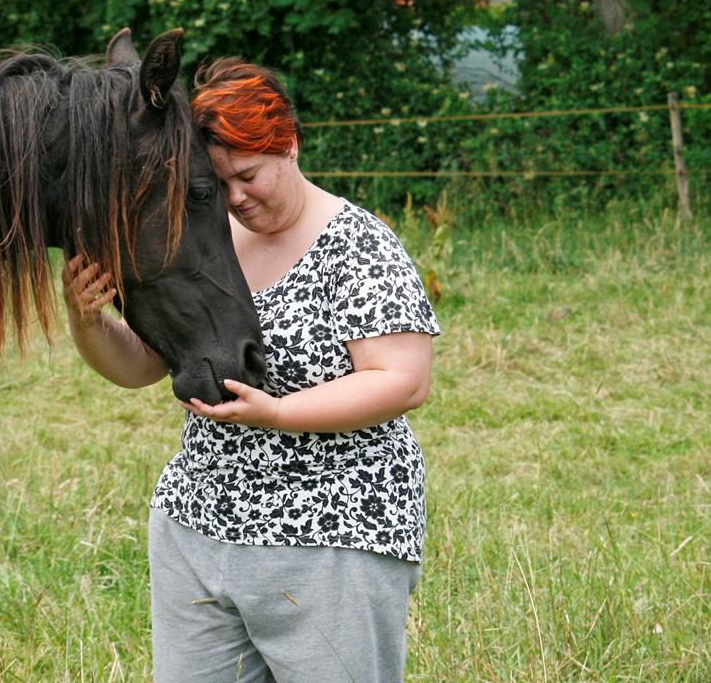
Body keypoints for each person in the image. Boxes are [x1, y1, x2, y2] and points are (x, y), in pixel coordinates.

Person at [62, 58, 440, 683]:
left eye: (248, 175)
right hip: (199, 528)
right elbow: (141, 367)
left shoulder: (358, 245)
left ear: (288, 144)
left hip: (332, 535)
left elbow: (403, 380)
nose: (236, 197)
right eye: (219, 183)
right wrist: (88, 320)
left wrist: (280, 414)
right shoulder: (212, 238)